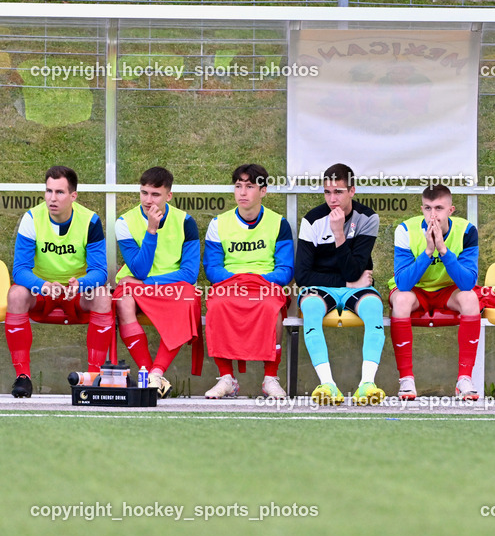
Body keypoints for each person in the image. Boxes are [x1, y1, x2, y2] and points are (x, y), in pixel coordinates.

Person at [5, 166, 113, 398]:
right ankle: (23, 377)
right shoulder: (31, 218)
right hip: (43, 293)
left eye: (60, 192)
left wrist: (80, 284)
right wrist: (42, 286)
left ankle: (93, 378)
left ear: (73, 196)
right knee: (15, 294)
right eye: (49, 191)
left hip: (75, 294)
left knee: (103, 295)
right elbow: (20, 270)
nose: (52, 198)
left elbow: (100, 272)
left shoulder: (90, 221)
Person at [295, 164, 386, 406]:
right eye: (327, 192)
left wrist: (339, 235)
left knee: (374, 308)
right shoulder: (312, 220)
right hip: (328, 285)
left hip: (356, 284)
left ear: (352, 191)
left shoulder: (368, 218)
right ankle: (328, 385)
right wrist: (347, 282)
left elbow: (354, 269)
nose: (332, 199)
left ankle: (367, 385)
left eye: (339, 192)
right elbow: (303, 276)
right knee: (311, 307)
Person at [203, 164, 294, 399]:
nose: (242, 192)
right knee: (217, 306)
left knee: (272, 309)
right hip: (230, 285)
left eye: (250, 186)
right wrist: (240, 281)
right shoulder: (218, 223)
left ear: (263, 191)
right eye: (238, 186)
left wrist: (256, 280)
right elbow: (212, 270)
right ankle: (226, 379)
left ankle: (270, 378)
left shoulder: (279, 223)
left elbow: (285, 271)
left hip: (266, 286)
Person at [387, 184, 482, 401]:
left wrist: (443, 250)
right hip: (415, 290)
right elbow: (403, 282)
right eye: (428, 208)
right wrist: (428, 251)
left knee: (470, 299)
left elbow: (467, 282)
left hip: (448, 290)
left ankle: (464, 379)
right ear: (422, 209)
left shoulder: (467, 231)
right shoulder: (405, 230)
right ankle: (406, 379)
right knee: (400, 301)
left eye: (439, 208)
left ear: (451, 210)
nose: (433, 215)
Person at [114, 166, 201, 399]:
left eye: (155, 194)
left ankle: (156, 372)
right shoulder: (124, 222)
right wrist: (151, 230)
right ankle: (146, 372)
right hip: (136, 285)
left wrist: (149, 283)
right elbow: (139, 269)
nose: (148, 200)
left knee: (189, 297)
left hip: (165, 286)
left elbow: (190, 273)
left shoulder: (186, 222)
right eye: (144, 193)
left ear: (168, 196)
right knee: (122, 302)